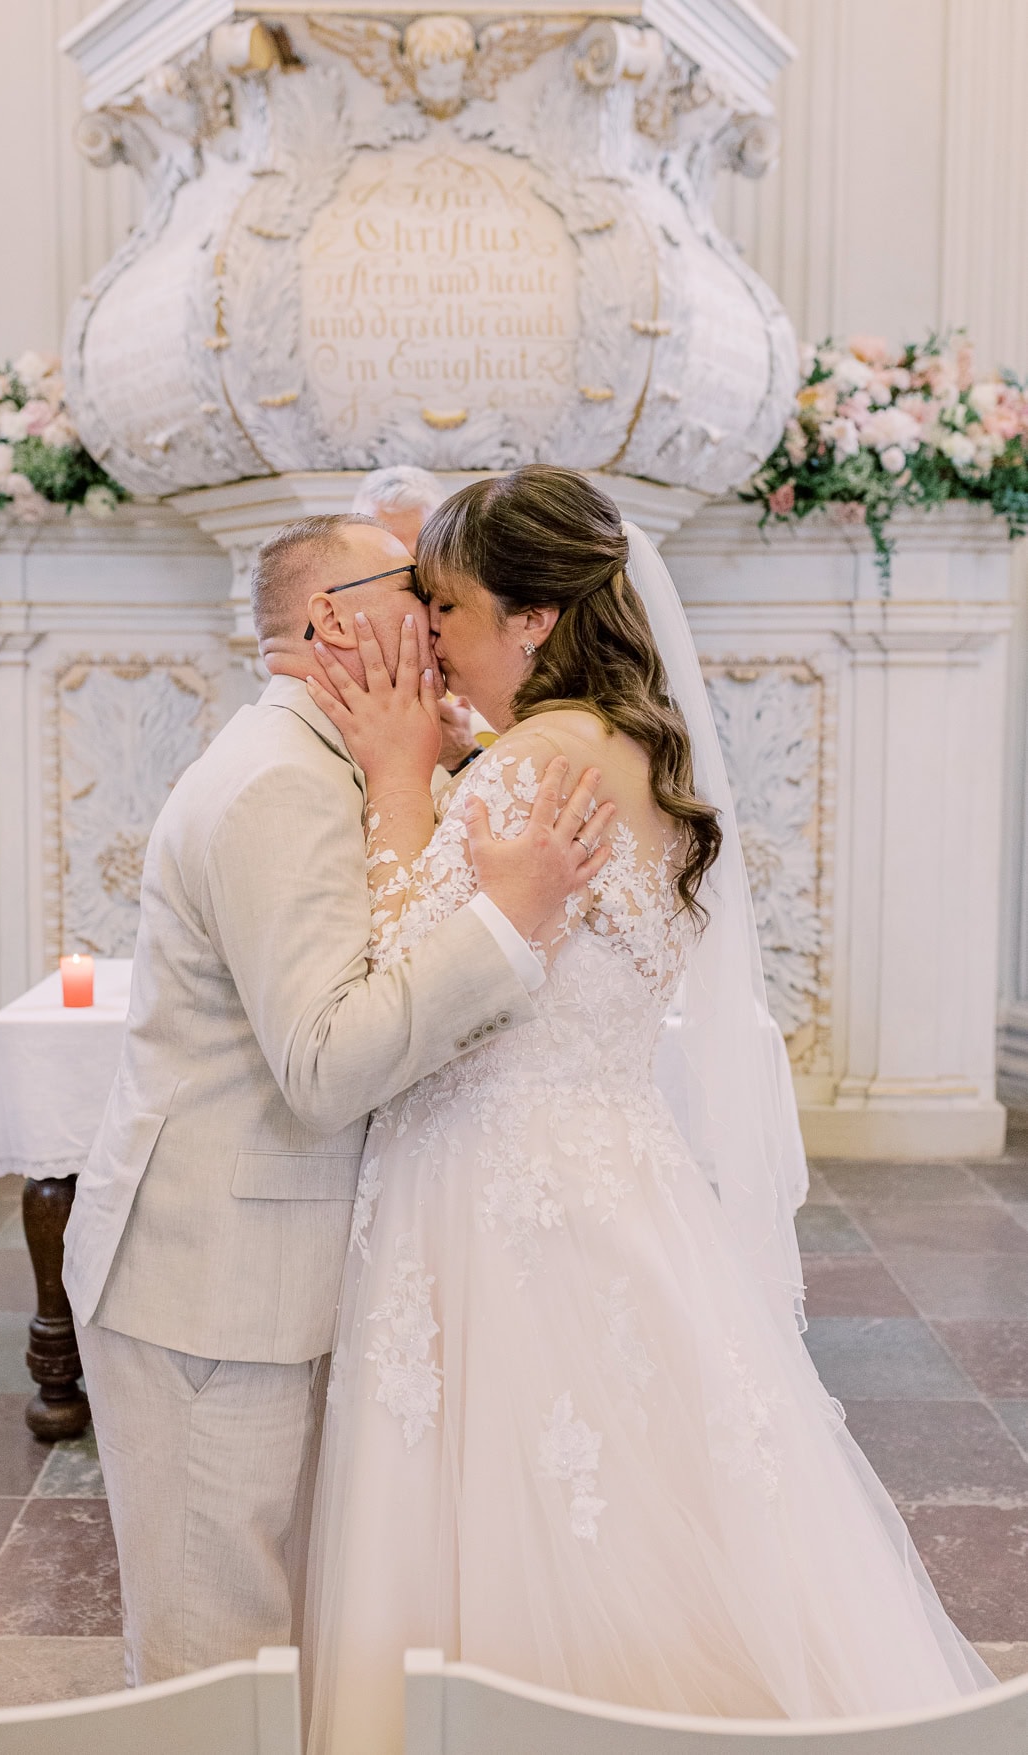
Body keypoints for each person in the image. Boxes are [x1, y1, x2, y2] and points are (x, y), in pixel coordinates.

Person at [302, 467, 994, 1754]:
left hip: (490, 1186)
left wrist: (399, 779)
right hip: (616, 1167)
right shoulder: (631, 747)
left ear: (534, 622)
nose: (431, 633)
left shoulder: (531, 767)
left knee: (514, 1528)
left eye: (448, 607)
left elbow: (407, 989)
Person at [62, 510, 613, 1685]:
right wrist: (504, 927)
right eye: (415, 584)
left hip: (274, 1276)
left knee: (286, 1652)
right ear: (330, 619)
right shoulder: (276, 784)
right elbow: (324, 1063)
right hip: (213, 1297)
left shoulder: (337, 761)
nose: (439, 609)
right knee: (217, 1663)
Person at [352, 465, 482, 775]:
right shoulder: (332, 655)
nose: (401, 580)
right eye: (381, 561)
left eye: (414, 563)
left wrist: (463, 755)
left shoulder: (484, 644)